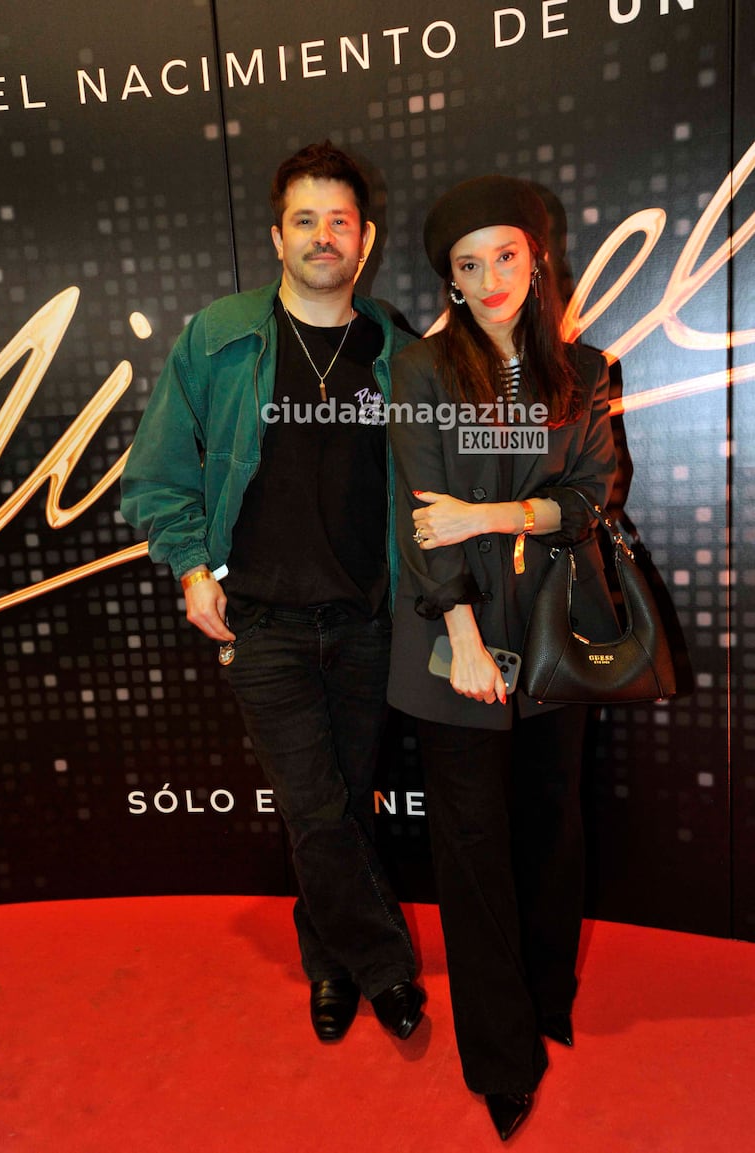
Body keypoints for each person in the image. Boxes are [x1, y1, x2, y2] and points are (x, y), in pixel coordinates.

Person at [121, 141, 424, 1045]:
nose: (322, 236)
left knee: (335, 803)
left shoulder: (396, 350)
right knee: (317, 803)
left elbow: (424, 488)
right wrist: (186, 566)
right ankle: (387, 970)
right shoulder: (218, 336)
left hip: (367, 621)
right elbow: (158, 475)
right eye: (305, 220)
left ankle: (327, 965)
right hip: (260, 622)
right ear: (276, 234)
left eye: (339, 221)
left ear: (363, 240)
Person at [387, 175, 616, 1140]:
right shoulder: (422, 371)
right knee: (473, 850)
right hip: (459, 642)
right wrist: (464, 639)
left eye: (504, 256)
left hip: (555, 631)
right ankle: (500, 1053)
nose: (488, 279)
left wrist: (493, 512)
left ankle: (546, 998)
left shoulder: (584, 368)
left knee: (551, 828)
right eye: (466, 264)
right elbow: (420, 518)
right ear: (447, 277)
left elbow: (592, 494)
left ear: (535, 257)